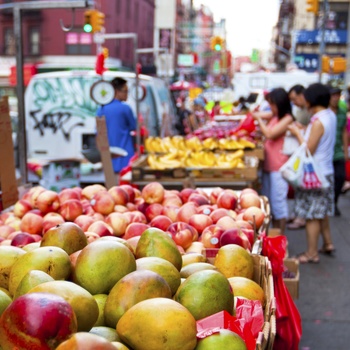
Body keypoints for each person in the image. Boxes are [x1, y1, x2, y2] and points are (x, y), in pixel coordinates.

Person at [288, 83, 336, 263]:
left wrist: (296, 132)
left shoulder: (317, 121)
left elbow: (309, 149)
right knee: (321, 212)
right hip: (326, 171)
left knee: (311, 216)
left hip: (314, 175)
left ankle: (311, 253)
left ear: (311, 100)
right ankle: (328, 243)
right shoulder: (330, 115)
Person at [253, 88, 294, 235]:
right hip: (268, 166)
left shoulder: (287, 118)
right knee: (268, 202)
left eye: (272, 104)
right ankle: (273, 233)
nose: (270, 107)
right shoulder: (276, 116)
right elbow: (257, 114)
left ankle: (280, 235)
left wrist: (258, 120)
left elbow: (270, 134)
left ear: (280, 103)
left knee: (278, 204)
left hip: (279, 167)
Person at [286, 85, 312, 230]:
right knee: (299, 188)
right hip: (302, 154)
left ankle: (302, 217)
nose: (294, 102)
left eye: (295, 99)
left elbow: (308, 145)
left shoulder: (314, 115)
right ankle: (298, 214)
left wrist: (297, 131)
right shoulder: (302, 111)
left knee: (304, 188)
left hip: (307, 157)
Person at [96, 77, 136, 174]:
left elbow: (98, 132)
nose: (127, 95)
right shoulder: (125, 108)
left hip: (108, 156)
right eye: (125, 91)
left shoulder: (101, 109)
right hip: (125, 155)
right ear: (116, 92)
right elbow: (134, 126)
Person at [328, 86, 348, 216]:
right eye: (333, 95)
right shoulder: (325, 112)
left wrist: (346, 150)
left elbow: (344, 131)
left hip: (338, 151)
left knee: (340, 177)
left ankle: (333, 202)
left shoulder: (342, 111)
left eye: (337, 95)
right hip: (326, 152)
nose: (335, 98)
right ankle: (329, 203)